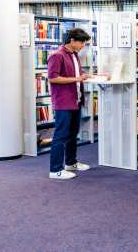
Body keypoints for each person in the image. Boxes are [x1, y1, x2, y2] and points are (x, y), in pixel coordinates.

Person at [47, 28, 92, 180]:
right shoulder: (57, 55)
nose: (83, 45)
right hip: (63, 102)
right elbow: (53, 78)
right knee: (61, 135)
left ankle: (71, 163)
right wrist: (76, 79)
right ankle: (55, 170)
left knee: (73, 134)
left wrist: (90, 76)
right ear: (72, 40)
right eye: (82, 42)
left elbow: (77, 75)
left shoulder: (74, 55)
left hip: (75, 100)